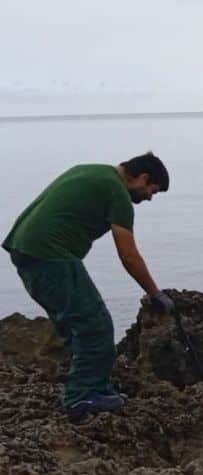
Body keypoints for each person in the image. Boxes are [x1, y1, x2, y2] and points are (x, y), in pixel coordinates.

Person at [3, 153, 174, 422]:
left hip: (25, 250)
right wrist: (156, 293)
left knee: (75, 326)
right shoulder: (118, 194)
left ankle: (97, 388)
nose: (150, 197)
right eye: (152, 190)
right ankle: (81, 398)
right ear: (143, 177)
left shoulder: (90, 171)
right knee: (95, 324)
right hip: (50, 255)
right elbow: (128, 255)